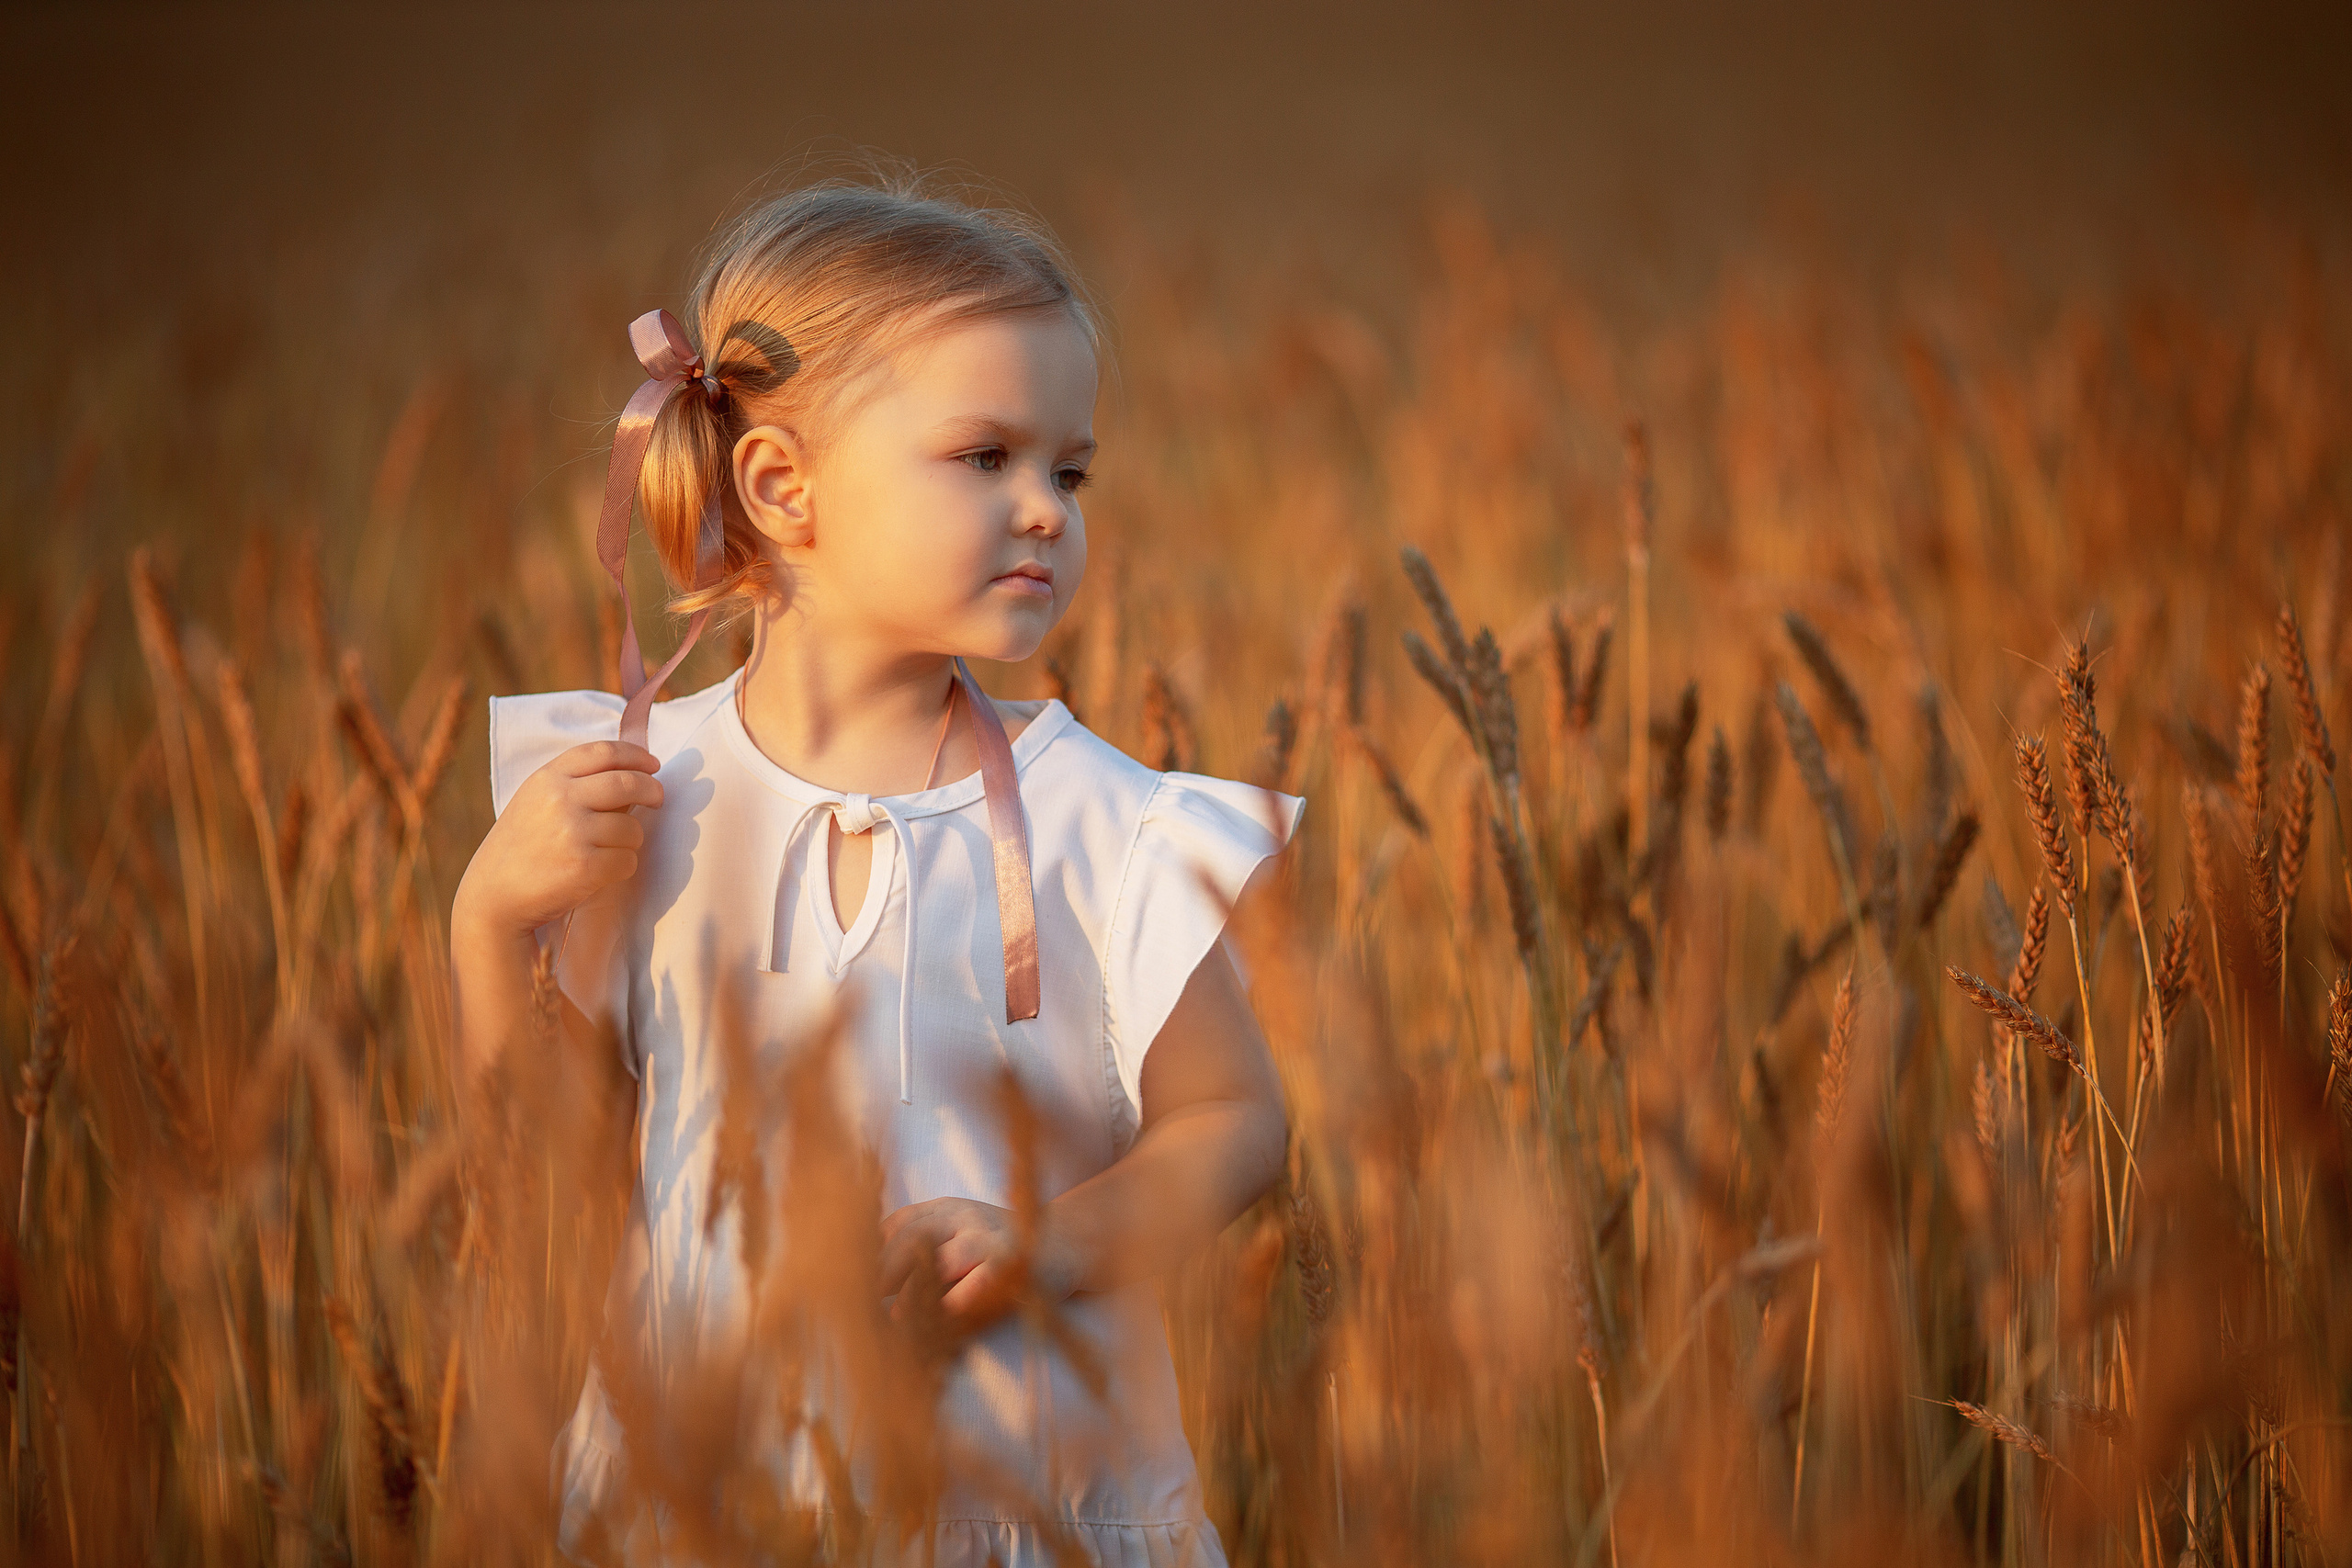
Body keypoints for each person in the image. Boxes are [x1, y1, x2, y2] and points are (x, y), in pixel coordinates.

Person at [448, 172, 1303, 1567]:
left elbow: (1237, 1121)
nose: (1045, 509)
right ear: (783, 486)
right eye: (986, 459)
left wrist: (1048, 1240)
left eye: (1069, 470)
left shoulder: (1105, 820)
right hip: (710, 1501)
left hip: (1022, 1501)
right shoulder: (637, 802)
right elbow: (542, 1179)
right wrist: (487, 928)